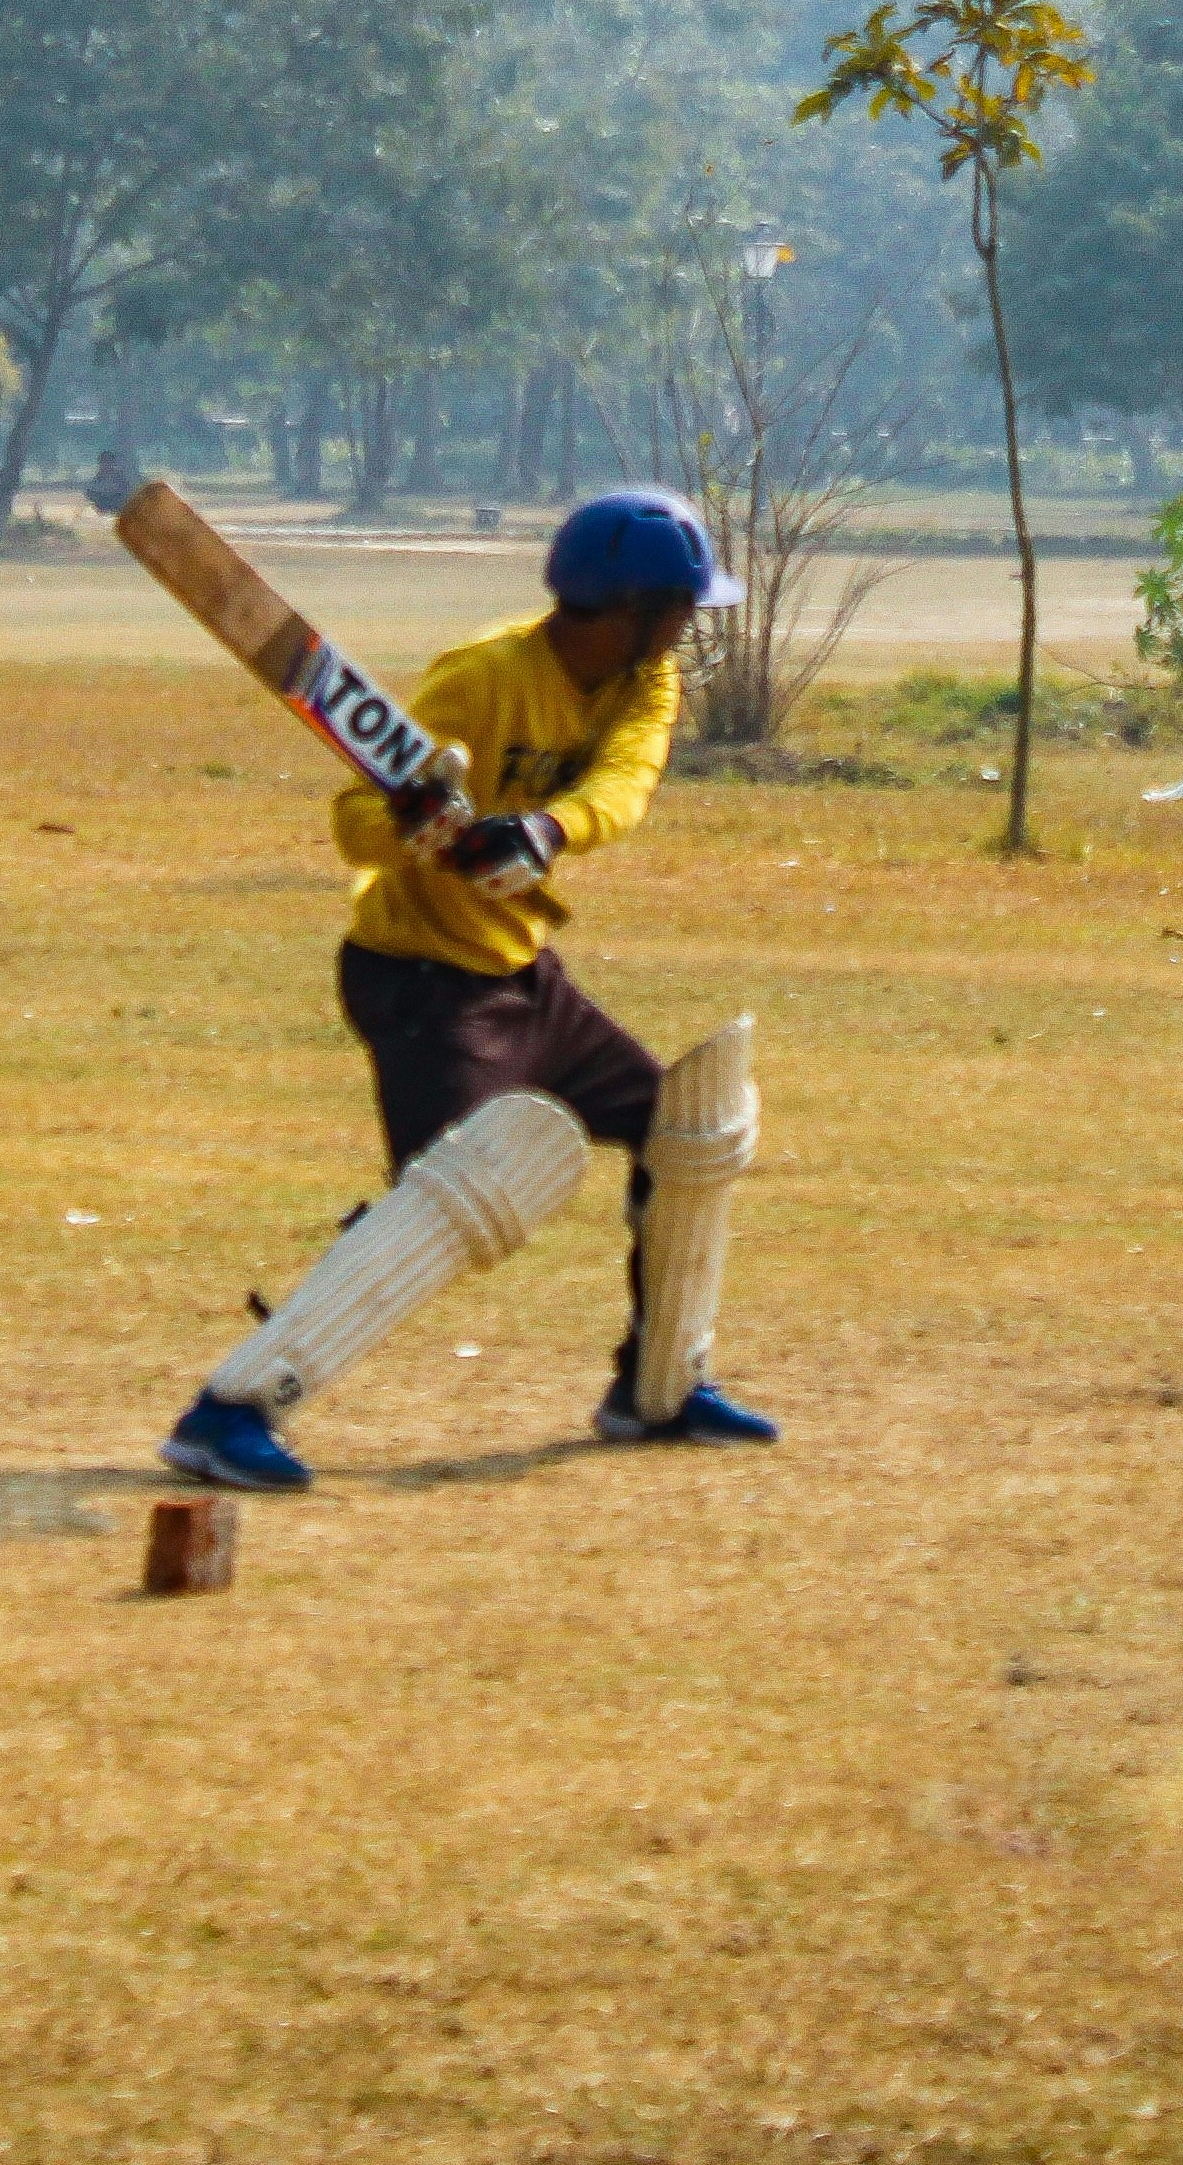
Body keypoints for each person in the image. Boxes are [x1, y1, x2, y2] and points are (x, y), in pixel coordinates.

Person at [159, 487, 776, 1496]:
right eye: (676, 607)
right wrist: (411, 828)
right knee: (456, 1199)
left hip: (521, 969)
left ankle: (659, 1389)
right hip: (418, 978)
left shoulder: (642, 681)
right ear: (626, 605)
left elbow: (624, 785)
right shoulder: (483, 678)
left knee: (688, 1126)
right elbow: (355, 818)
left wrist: (544, 830)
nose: (684, 631)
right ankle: (230, 1411)